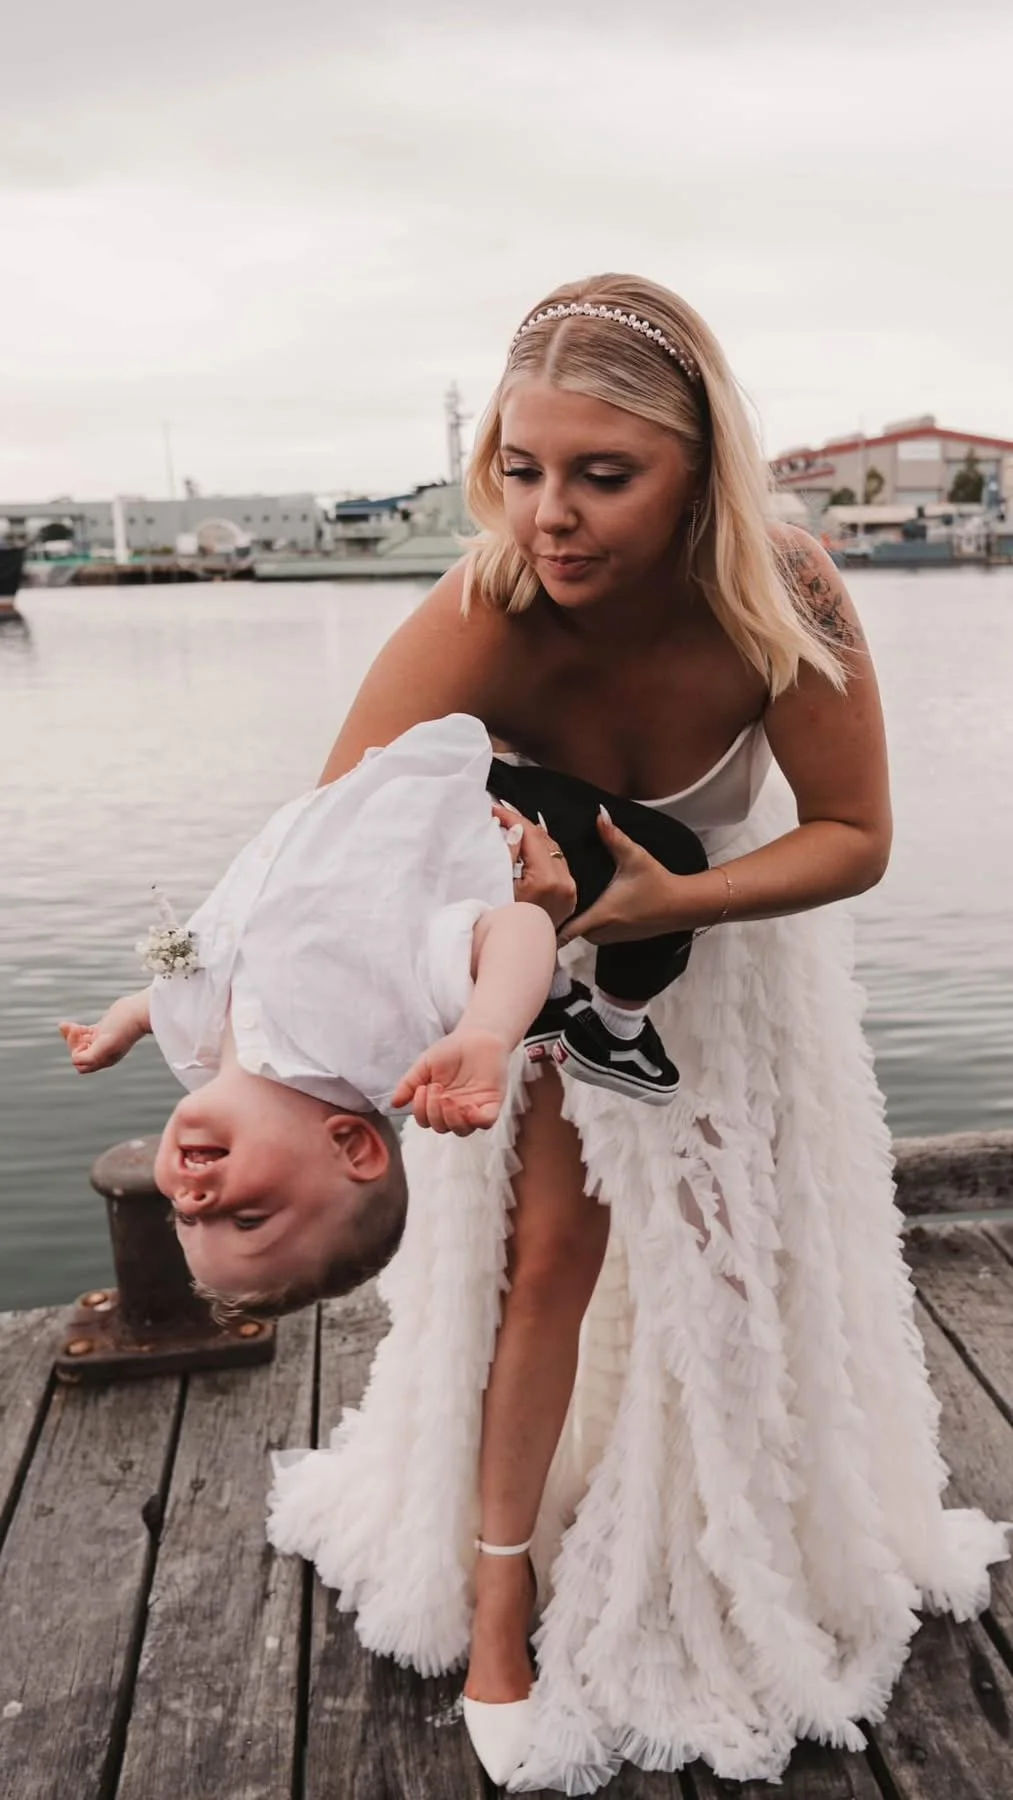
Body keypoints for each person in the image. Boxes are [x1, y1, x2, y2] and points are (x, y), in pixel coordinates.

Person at [266, 274, 1009, 1791]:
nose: (550, 513)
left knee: (735, 1264)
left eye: (604, 476)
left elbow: (856, 833)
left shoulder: (785, 589)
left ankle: (738, 1554)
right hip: (520, 967)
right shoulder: (484, 604)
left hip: (724, 956)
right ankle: (497, 1603)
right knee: (549, 1260)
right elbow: (322, 851)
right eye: (521, 469)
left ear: (698, 476)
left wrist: (687, 895)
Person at [59, 712, 707, 1316]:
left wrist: (126, 1017)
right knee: (673, 856)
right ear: (350, 1146)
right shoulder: (376, 1044)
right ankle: (614, 1026)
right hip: (471, 807)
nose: (195, 1199)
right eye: (247, 1220)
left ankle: (570, 999)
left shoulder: (194, 1046)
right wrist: (487, 1027)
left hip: (368, 786)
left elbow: (195, 983)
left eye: (188, 1220)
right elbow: (515, 928)